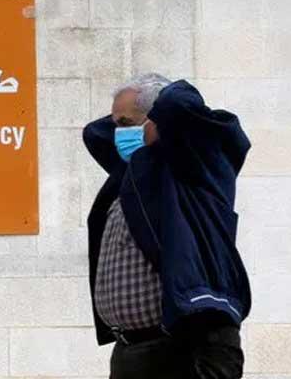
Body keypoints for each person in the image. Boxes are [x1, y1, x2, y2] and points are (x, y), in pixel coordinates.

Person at [83, 73, 251, 379]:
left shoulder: (195, 166)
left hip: (187, 345)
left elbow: (178, 102)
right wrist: (136, 119)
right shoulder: (132, 176)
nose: (118, 132)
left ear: (160, 120)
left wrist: (158, 114)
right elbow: (93, 133)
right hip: (131, 349)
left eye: (126, 123)